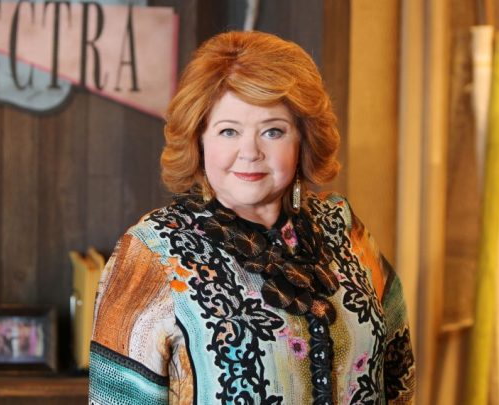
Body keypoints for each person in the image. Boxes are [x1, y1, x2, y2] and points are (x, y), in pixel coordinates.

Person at [88, 31, 415, 404]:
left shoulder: (341, 227)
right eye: (229, 131)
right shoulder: (152, 252)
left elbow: (399, 374)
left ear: (303, 139)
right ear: (199, 139)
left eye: (273, 131)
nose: (250, 151)